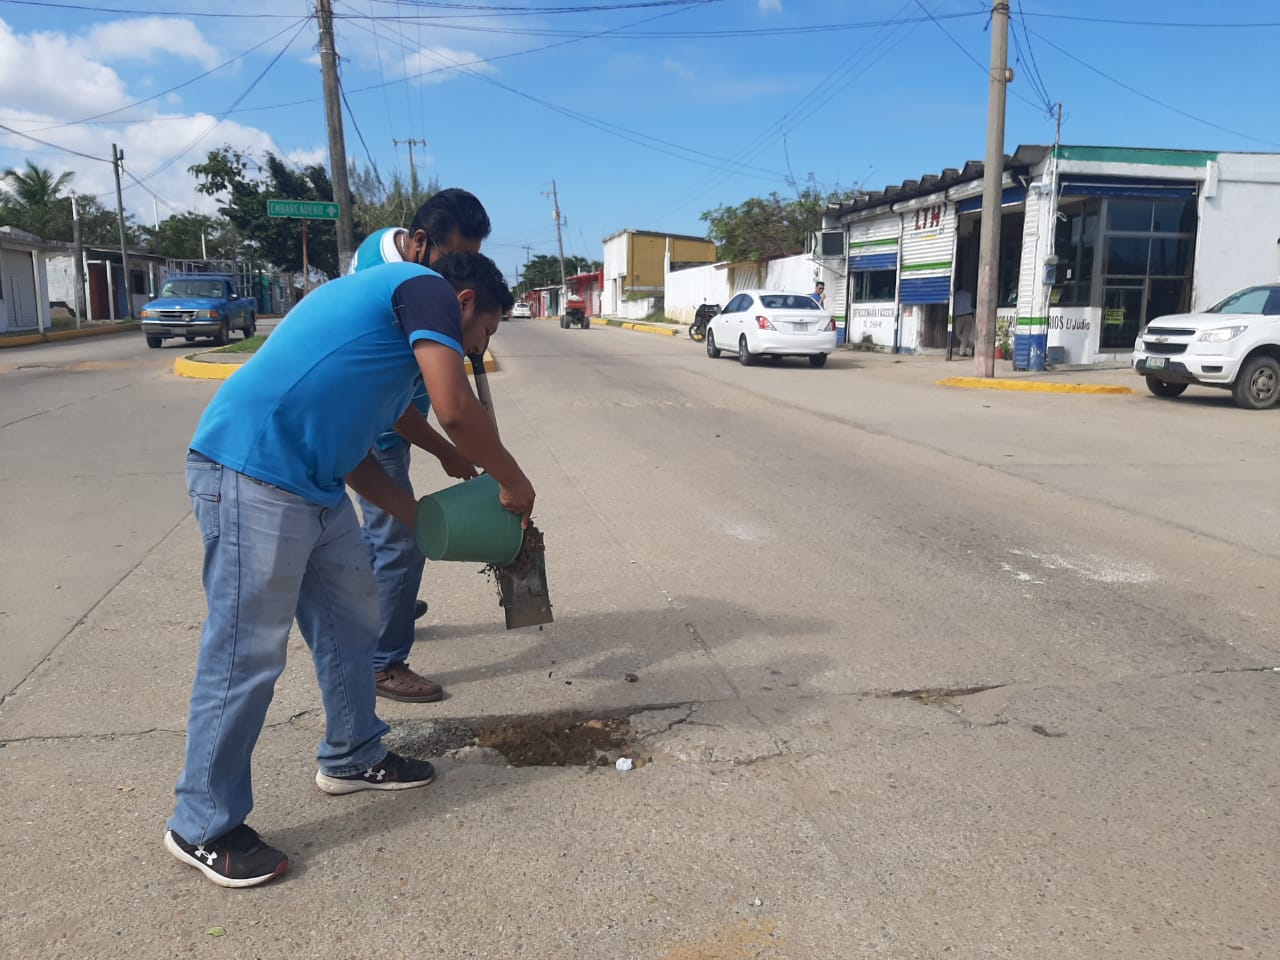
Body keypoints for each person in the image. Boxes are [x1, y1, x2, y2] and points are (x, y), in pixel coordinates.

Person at [165, 251, 528, 888]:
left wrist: (427, 506)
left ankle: (353, 755)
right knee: (245, 653)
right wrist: (514, 483)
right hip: (251, 471)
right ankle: (201, 824)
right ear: (466, 302)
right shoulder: (425, 291)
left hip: (317, 485)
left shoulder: (389, 348)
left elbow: (369, 436)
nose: (476, 349)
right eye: (486, 334)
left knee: (352, 620)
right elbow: (457, 407)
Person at [349, 189, 491, 704]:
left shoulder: (397, 256)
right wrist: (460, 452)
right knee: (400, 541)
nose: (462, 273)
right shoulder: (406, 284)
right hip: (376, 432)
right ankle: (382, 664)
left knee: (387, 542)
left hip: (386, 421)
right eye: (458, 260)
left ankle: (386, 606)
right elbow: (427, 406)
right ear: (423, 242)